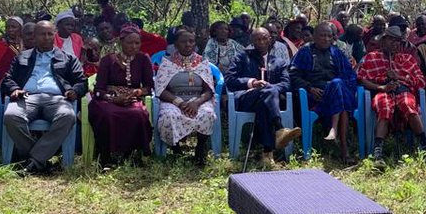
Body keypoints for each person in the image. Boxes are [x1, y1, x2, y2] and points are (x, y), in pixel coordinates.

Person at [2, 20, 87, 174]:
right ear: (34, 36)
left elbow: (81, 81)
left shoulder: (67, 58)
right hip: (27, 97)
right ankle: (40, 160)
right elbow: (7, 79)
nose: (47, 37)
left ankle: (33, 161)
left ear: (54, 35)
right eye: (42, 34)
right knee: (11, 116)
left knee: (67, 116)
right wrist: (14, 89)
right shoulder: (22, 57)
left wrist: (75, 91)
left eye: (50, 34)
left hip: (57, 99)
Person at [227, 27, 302, 166]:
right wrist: (252, 83)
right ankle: (279, 128)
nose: (261, 42)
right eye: (257, 39)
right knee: (268, 93)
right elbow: (230, 80)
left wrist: (271, 88)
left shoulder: (279, 62)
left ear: (270, 40)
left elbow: (286, 84)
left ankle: (267, 154)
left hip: (267, 102)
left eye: (264, 38)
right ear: (252, 41)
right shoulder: (242, 57)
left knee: (265, 102)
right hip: (246, 98)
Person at [357, 26, 426, 159]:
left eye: (398, 41)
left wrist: (400, 77)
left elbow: (420, 81)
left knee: (408, 104)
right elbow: (361, 80)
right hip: (382, 90)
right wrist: (382, 87)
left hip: (403, 90)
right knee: (384, 106)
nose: (395, 44)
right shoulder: (372, 57)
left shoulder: (407, 59)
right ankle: (378, 150)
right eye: (391, 40)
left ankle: (424, 146)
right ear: (383, 41)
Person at [292, 22, 358, 162]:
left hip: (336, 92)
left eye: (329, 36)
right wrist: (309, 87)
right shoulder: (305, 52)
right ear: (314, 36)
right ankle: (344, 149)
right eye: (322, 35)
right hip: (315, 96)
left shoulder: (336, 52)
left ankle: (335, 132)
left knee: (338, 84)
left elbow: (350, 76)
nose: (326, 39)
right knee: (341, 97)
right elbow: (293, 75)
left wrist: (343, 87)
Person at [89, 25, 153, 165]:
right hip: (108, 98)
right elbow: (99, 89)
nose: (134, 46)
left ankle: (131, 153)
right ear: (121, 42)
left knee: (138, 114)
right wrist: (114, 99)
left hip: (132, 98)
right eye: (129, 43)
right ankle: (106, 155)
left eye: (137, 43)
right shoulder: (108, 60)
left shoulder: (143, 59)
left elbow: (150, 86)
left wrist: (138, 92)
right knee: (107, 114)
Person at [153, 28, 216, 165]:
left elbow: (209, 90)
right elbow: (161, 90)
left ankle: (200, 147)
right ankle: (176, 149)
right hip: (173, 100)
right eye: (183, 42)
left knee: (208, 114)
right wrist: (179, 103)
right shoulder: (167, 63)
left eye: (191, 41)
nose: (188, 44)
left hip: (197, 100)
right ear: (175, 44)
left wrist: (196, 103)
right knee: (168, 116)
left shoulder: (202, 63)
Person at [0, 17, 26, 81]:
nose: (10, 29)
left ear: (21, 28)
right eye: (7, 27)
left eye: (13, 27)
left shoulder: (27, 42)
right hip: (0, 76)